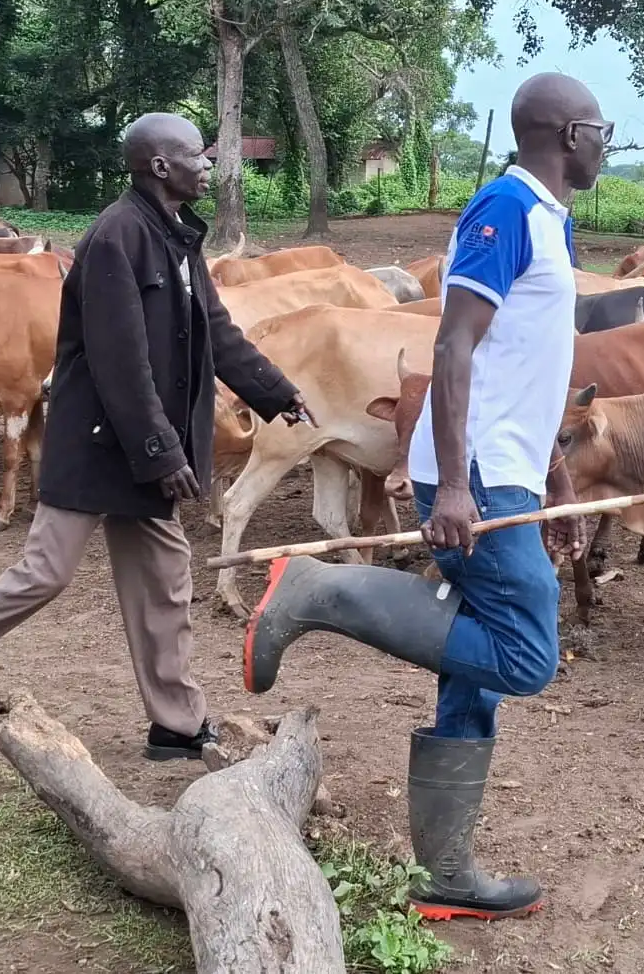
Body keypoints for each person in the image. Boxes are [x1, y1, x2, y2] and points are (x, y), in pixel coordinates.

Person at [242, 72, 607, 921]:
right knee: (524, 657)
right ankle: (316, 589)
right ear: (564, 133)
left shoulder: (554, 221)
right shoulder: (504, 212)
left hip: (509, 465)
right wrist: (447, 484)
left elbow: (529, 360)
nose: (607, 141)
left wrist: (552, 464)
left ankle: (447, 875)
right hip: (473, 472)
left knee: (470, 671)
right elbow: (453, 349)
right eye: (601, 127)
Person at [0, 112, 311, 763]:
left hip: (137, 448)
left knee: (165, 576)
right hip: (99, 445)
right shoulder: (115, 238)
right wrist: (162, 451)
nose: (206, 163)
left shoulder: (177, 237)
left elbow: (214, 328)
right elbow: (121, 362)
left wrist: (274, 391)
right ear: (158, 166)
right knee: (44, 573)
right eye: (194, 154)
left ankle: (176, 724)